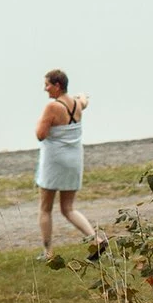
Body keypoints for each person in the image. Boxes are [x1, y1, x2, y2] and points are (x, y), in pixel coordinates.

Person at [33, 67, 103, 259]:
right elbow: (84, 101)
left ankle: (47, 251)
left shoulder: (52, 107)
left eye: (47, 85)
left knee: (45, 207)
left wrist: (39, 121)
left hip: (55, 161)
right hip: (74, 160)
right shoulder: (76, 104)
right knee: (68, 208)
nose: (45, 89)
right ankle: (96, 239)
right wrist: (82, 96)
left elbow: (40, 135)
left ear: (57, 85)